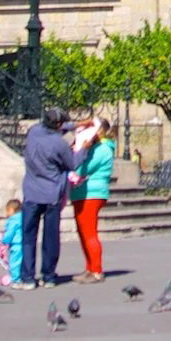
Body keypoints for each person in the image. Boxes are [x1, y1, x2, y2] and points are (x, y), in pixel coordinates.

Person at [20, 105, 92, 287]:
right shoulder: (59, 145)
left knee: (28, 237)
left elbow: (59, 127)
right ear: (59, 124)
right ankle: (48, 275)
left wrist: (78, 124)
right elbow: (72, 163)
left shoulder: (34, 132)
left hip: (31, 192)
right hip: (52, 194)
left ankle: (27, 277)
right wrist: (83, 148)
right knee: (50, 237)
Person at [69, 116, 115, 283]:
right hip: (82, 193)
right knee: (83, 232)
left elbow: (81, 168)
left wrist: (80, 151)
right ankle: (89, 268)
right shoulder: (96, 148)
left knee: (89, 233)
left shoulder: (102, 149)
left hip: (92, 193)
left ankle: (96, 270)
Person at [0, 198, 25, 285]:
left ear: (11, 210)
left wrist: (4, 240)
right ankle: (23, 276)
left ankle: (15, 278)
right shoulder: (23, 217)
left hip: (16, 244)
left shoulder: (13, 221)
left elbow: (10, 232)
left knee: (14, 262)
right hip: (24, 243)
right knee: (22, 261)